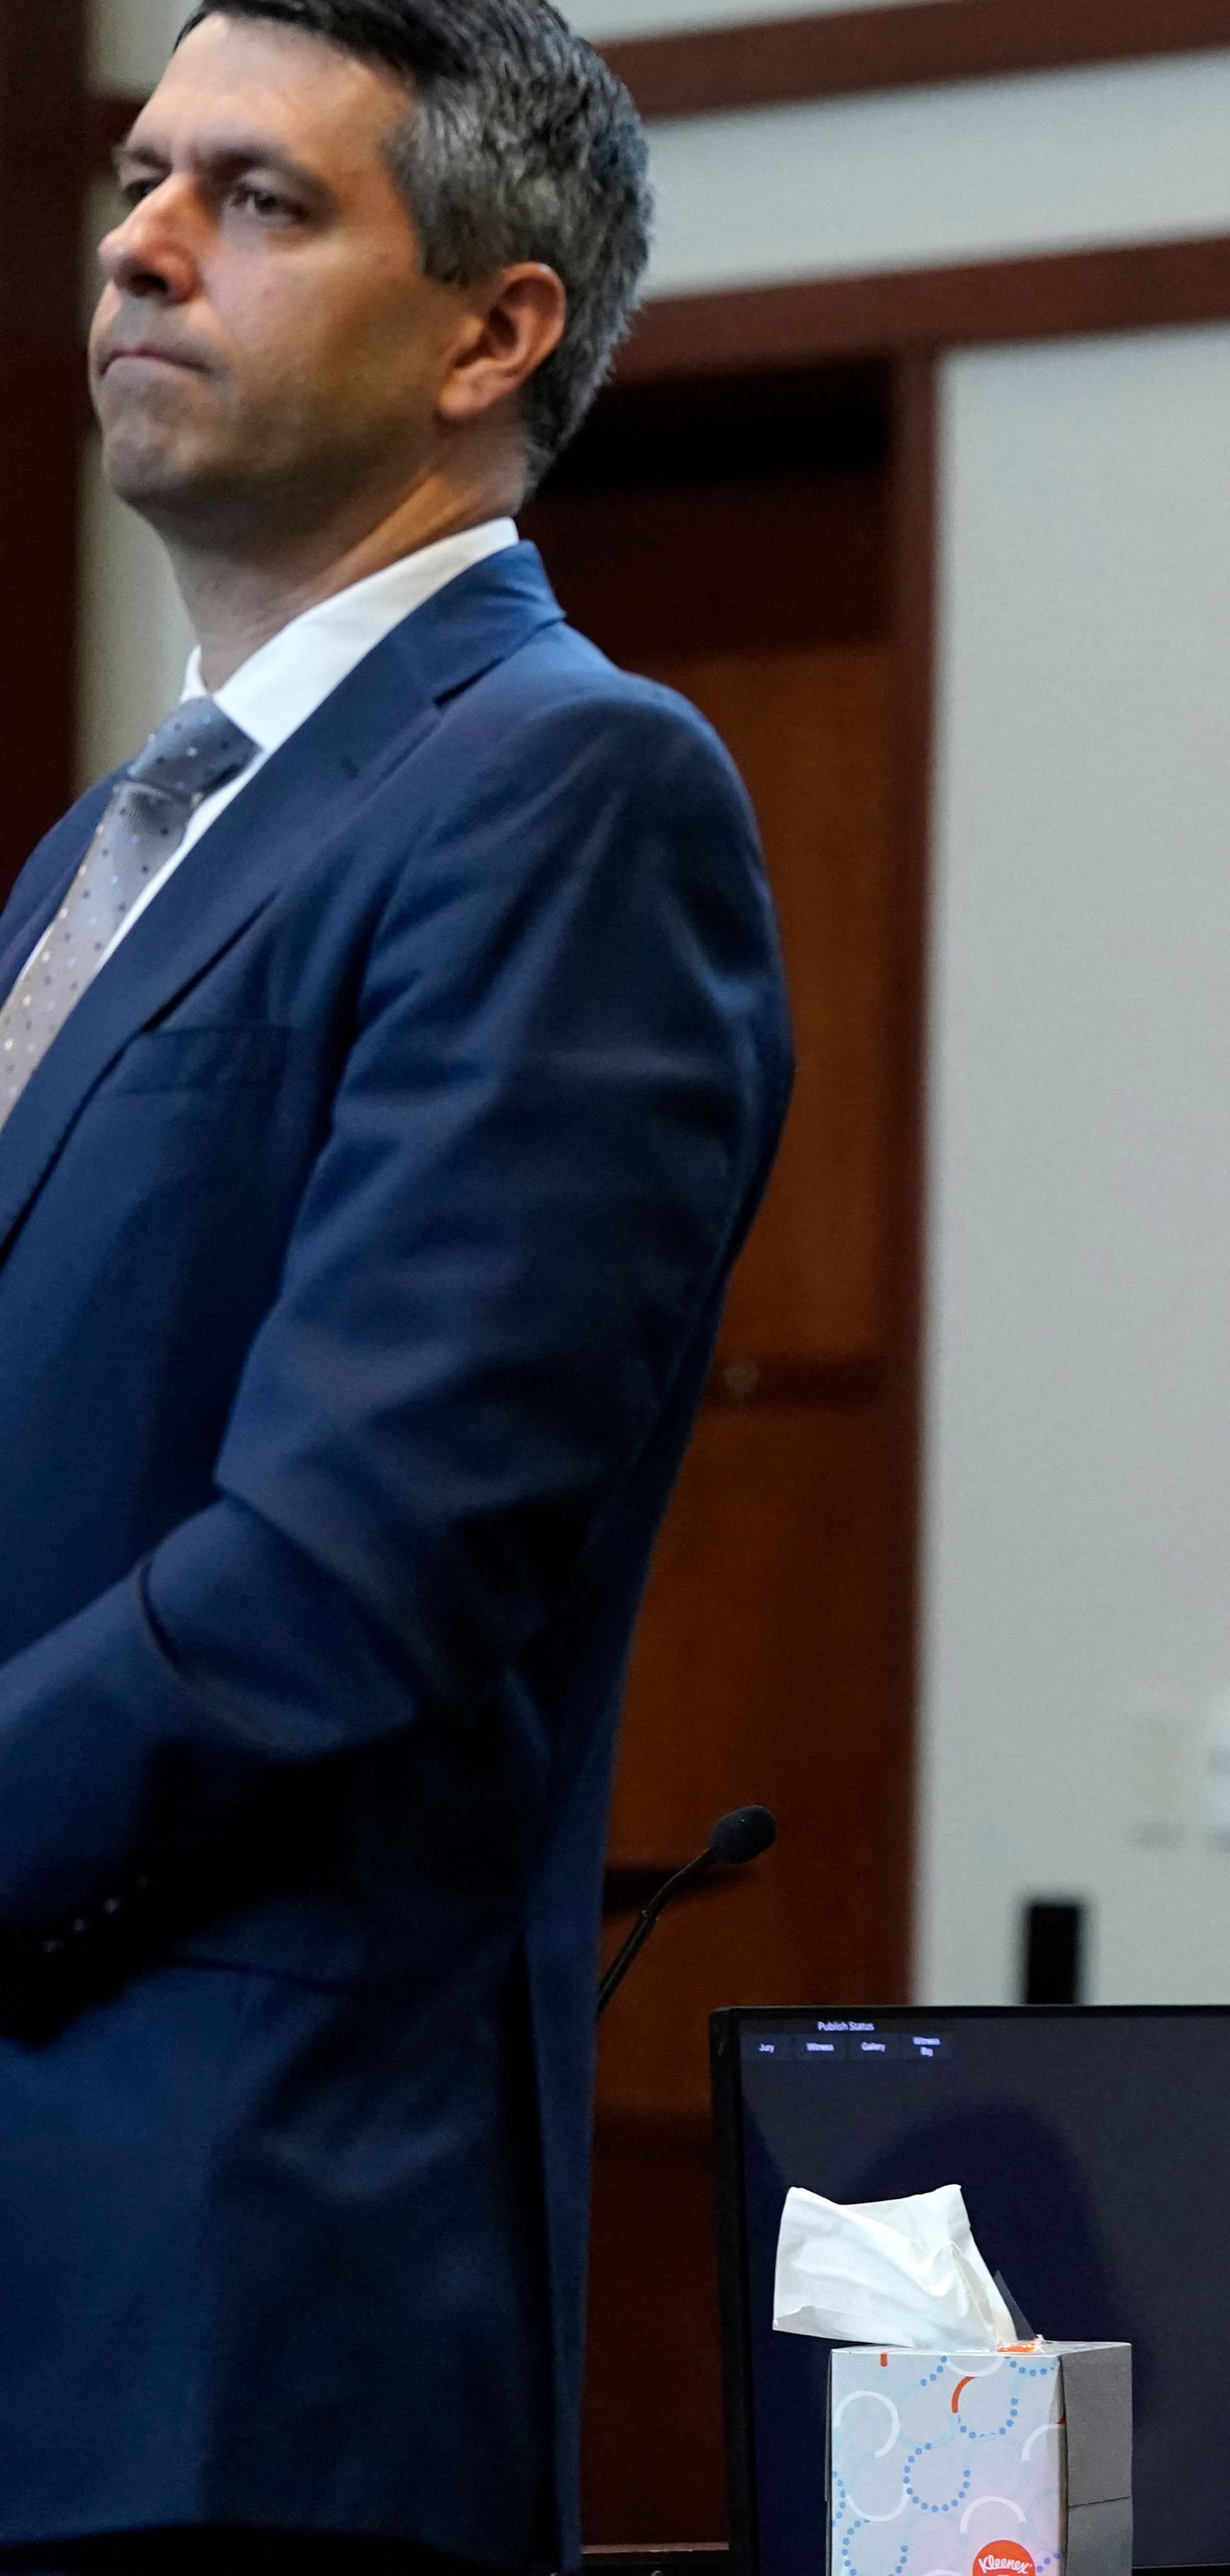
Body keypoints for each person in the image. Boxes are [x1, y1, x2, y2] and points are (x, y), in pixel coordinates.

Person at [0, 2, 789, 2568]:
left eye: (258, 195)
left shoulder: (568, 780)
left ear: (491, 328)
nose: (136, 240)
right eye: (138, 176)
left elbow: (353, 1571)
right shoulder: (102, 857)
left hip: (239, 2306)